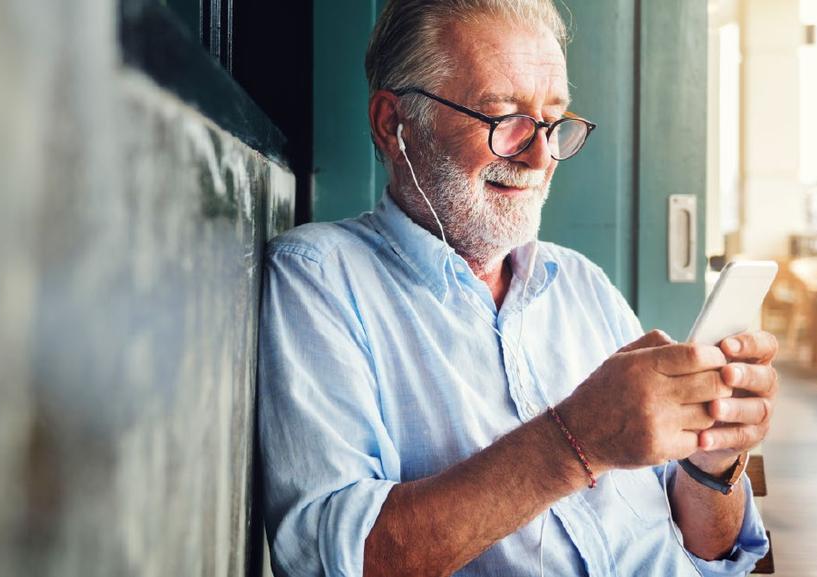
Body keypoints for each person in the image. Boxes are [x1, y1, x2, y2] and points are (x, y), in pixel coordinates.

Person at [257, 1, 776, 575]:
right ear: (393, 124)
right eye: (505, 119)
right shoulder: (319, 279)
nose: (538, 156)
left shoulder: (581, 283)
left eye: (553, 123)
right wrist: (575, 439)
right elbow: (331, 562)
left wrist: (713, 459)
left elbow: (709, 550)